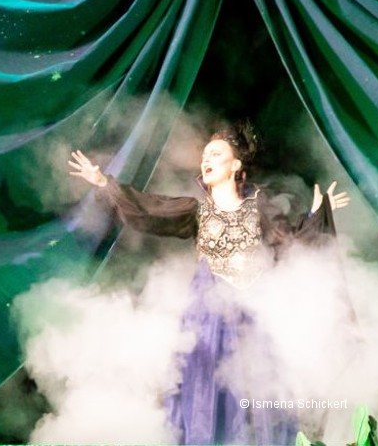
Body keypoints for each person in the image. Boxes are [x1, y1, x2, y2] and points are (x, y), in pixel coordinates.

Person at [67, 125, 351, 444]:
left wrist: (316, 213)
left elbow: (291, 244)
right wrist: (104, 182)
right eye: (204, 156)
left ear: (236, 164)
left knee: (259, 388)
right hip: (208, 316)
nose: (206, 160)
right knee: (207, 393)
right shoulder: (196, 210)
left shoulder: (259, 207)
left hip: (252, 315)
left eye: (215, 154)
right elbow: (149, 207)